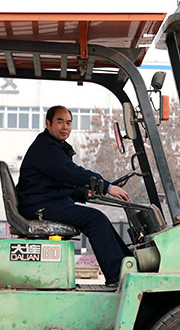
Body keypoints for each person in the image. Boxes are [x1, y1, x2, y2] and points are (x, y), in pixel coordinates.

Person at [16, 105, 131, 286]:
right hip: (40, 206)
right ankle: (117, 275)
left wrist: (85, 193)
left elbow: (60, 182)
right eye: (60, 121)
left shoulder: (54, 146)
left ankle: (128, 264)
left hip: (47, 201)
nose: (65, 127)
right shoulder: (46, 148)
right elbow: (70, 172)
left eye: (68, 123)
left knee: (100, 218)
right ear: (48, 123)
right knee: (95, 219)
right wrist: (106, 186)